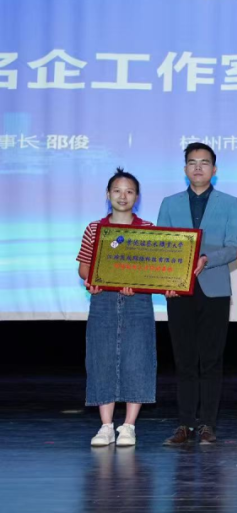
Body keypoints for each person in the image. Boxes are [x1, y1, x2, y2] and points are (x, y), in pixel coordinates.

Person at [157, 142, 237, 446]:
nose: (198, 167)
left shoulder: (229, 203)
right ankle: (184, 424)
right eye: (192, 162)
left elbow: (233, 247)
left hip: (214, 289)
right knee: (184, 360)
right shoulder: (170, 203)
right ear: (185, 169)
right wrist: (166, 279)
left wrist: (206, 258)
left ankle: (207, 424)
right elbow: (161, 245)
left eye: (204, 162)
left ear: (214, 169)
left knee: (211, 360)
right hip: (178, 289)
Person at [77, 168, 157, 448]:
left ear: (137, 197)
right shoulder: (94, 228)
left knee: (138, 358)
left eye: (129, 191)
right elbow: (84, 267)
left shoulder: (149, 229)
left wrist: (139, 282)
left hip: (138, 300)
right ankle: (106, 426)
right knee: (101, 359)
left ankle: (129, 426)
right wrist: (92, 280)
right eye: (117, 191)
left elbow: (154, 268)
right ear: (108, 194)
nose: (123, 196)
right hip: (103, 300)